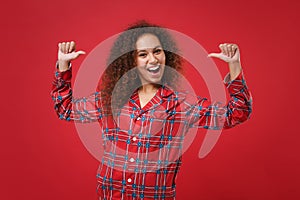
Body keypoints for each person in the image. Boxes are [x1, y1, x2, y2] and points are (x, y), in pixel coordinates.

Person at [51, 21, 252, 200]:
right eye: (143, 54)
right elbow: (65, 109)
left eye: (157, 51)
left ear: (167, 55)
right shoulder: (109, 99)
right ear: (131, 61)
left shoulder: (182, 104)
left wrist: (234, 67)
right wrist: (63, 64)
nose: (153, 59)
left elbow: (236, 113)